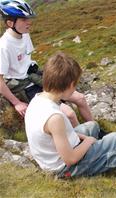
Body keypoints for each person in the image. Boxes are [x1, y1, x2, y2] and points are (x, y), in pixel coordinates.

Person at [25, 51, 116, 180]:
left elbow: (56, 136)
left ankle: (107, 152)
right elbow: (70, 159)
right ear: (71, 84)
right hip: (64, 169)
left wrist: (84, 138)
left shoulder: (37, 100)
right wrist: (88, 141)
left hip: (54, 157)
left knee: (92, 126)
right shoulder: (54, 118)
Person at [0, 0, 94, 128]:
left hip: (36, 77)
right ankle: (80, 142)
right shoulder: (3, 46)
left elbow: (26, 59)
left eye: (28, 18)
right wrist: (16, 103)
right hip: (26, 86)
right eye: (23, 19)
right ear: (10, 23)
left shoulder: (24, 34)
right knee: (70, 114)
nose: (29, 22)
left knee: (80, 99)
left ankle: (96, 130)